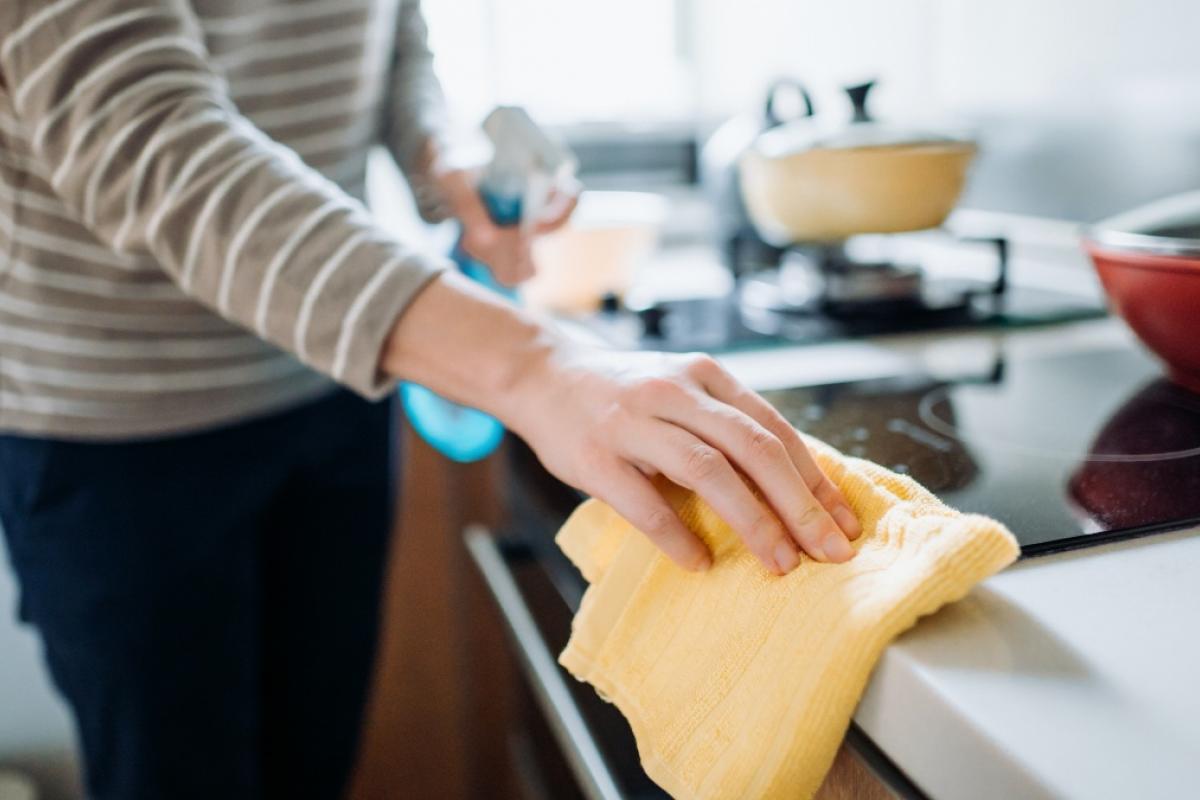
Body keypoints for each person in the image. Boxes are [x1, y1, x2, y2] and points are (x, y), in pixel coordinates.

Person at [0, 1, 861, 798]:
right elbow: (143, 139)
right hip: (117, 425)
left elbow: (389, 34)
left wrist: (439, 157)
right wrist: (537, 367)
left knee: (312, 765)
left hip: (329, 379)